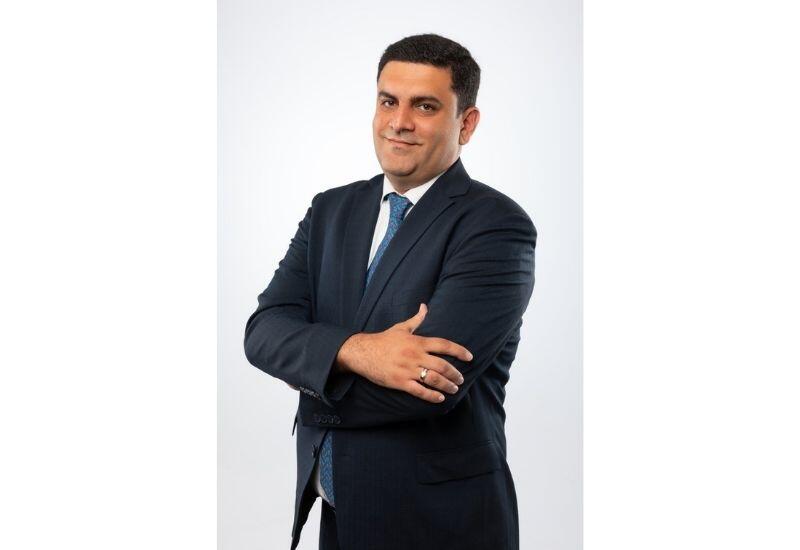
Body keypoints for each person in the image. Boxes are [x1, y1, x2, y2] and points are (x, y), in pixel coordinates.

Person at [244, 33, 537, 550]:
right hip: (339, 518)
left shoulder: (495, 226)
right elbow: (263, 332)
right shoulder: (331, 210)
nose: (399, 122)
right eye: (388, 101)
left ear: (466, 123)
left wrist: (311, 372)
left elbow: (430, 387)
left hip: (440, 525)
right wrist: (358, 352)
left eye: (425, 106)